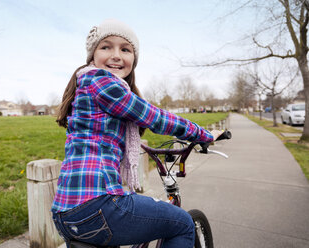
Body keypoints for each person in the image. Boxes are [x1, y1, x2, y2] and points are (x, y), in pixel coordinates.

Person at [52, 19, 221, 248]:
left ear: (134, 59)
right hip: (97, 205)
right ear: (92, 55)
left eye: (125, 49)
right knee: (182, 223)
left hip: (67, 212)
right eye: (106, 47)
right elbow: (154, 117)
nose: (116, 55)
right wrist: (202, 134)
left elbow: (101, 133)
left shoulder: (89, 84)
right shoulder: (101, 81)